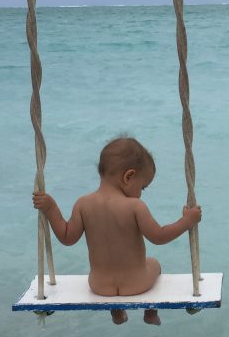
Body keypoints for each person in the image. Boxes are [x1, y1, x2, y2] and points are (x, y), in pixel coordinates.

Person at [32, 137, 202, 326]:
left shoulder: (83, 204)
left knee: (109, 273)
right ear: (128, 177)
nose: (141, 192)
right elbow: (159, 236)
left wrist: (51, 208)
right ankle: (150, 312)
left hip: (99, 286)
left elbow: (66, 237)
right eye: (142, 186)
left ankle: (117, 311)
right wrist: (187, 221)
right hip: (136, 284)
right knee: (154, 263)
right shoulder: (135, 206)